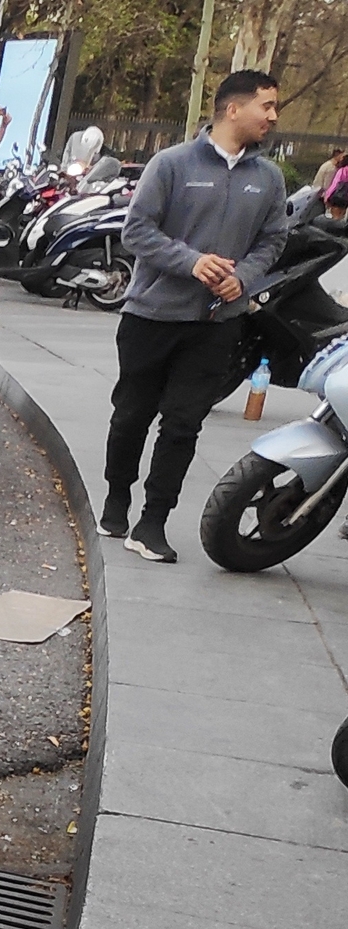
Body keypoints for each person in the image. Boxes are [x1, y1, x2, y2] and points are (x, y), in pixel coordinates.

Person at [103, 69, 289, 563]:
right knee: (131, 416)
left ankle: (153, 521)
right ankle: (116, 498)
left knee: (184, 424)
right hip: (151, 317)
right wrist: (193, 262)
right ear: (234, 109)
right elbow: (136, 232)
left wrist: (243, 277)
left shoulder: (268, 178)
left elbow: (274, 240)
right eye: (266, 106)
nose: (272, 116)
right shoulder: (172, 164)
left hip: (216, 323)